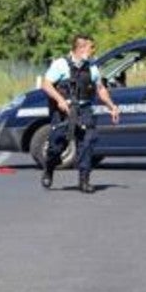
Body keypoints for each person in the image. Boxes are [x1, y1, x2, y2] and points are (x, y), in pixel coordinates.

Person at [40, 34, 120, 193]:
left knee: (87, 143)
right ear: (81, 48)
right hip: (65, 110)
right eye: (91, 47)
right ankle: (49, 168)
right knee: (57, 146)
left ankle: (84, 181)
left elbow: (100, 89)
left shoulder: (92, 67)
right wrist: (60, 100)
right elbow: (46, 84)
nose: (93, 51)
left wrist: (112, 106)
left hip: (84, 109)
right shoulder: (60, 64)